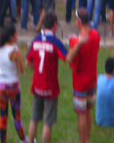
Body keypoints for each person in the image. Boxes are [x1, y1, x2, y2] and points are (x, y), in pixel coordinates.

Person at [27, 12, 68, 143]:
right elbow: (67, 57)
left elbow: (29, 62)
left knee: (34, 118)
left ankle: (30, 140)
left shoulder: (36, 40)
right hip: (50, 86)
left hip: (37, 84)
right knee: (48, 122)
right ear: (55, 25)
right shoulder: (56, 42)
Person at [68, 9, 101, 143]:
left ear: (79, 22)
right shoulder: (96, 35)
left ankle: (83, 141)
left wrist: (75, 42)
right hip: (92, 79)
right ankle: (88, 139)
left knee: (81, 113)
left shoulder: (77, 42)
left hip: (80, 82)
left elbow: (69, 58)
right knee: (89, 111)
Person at [0, 25, 27, 143]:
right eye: (16, 34)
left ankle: (3, 141)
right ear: (12, 37)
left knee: (3, 116)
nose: (17, 36)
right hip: (13, 85)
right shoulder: (14, 51)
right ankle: (24, 139)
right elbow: (21, 70)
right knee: (16, 115)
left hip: (0, 85)